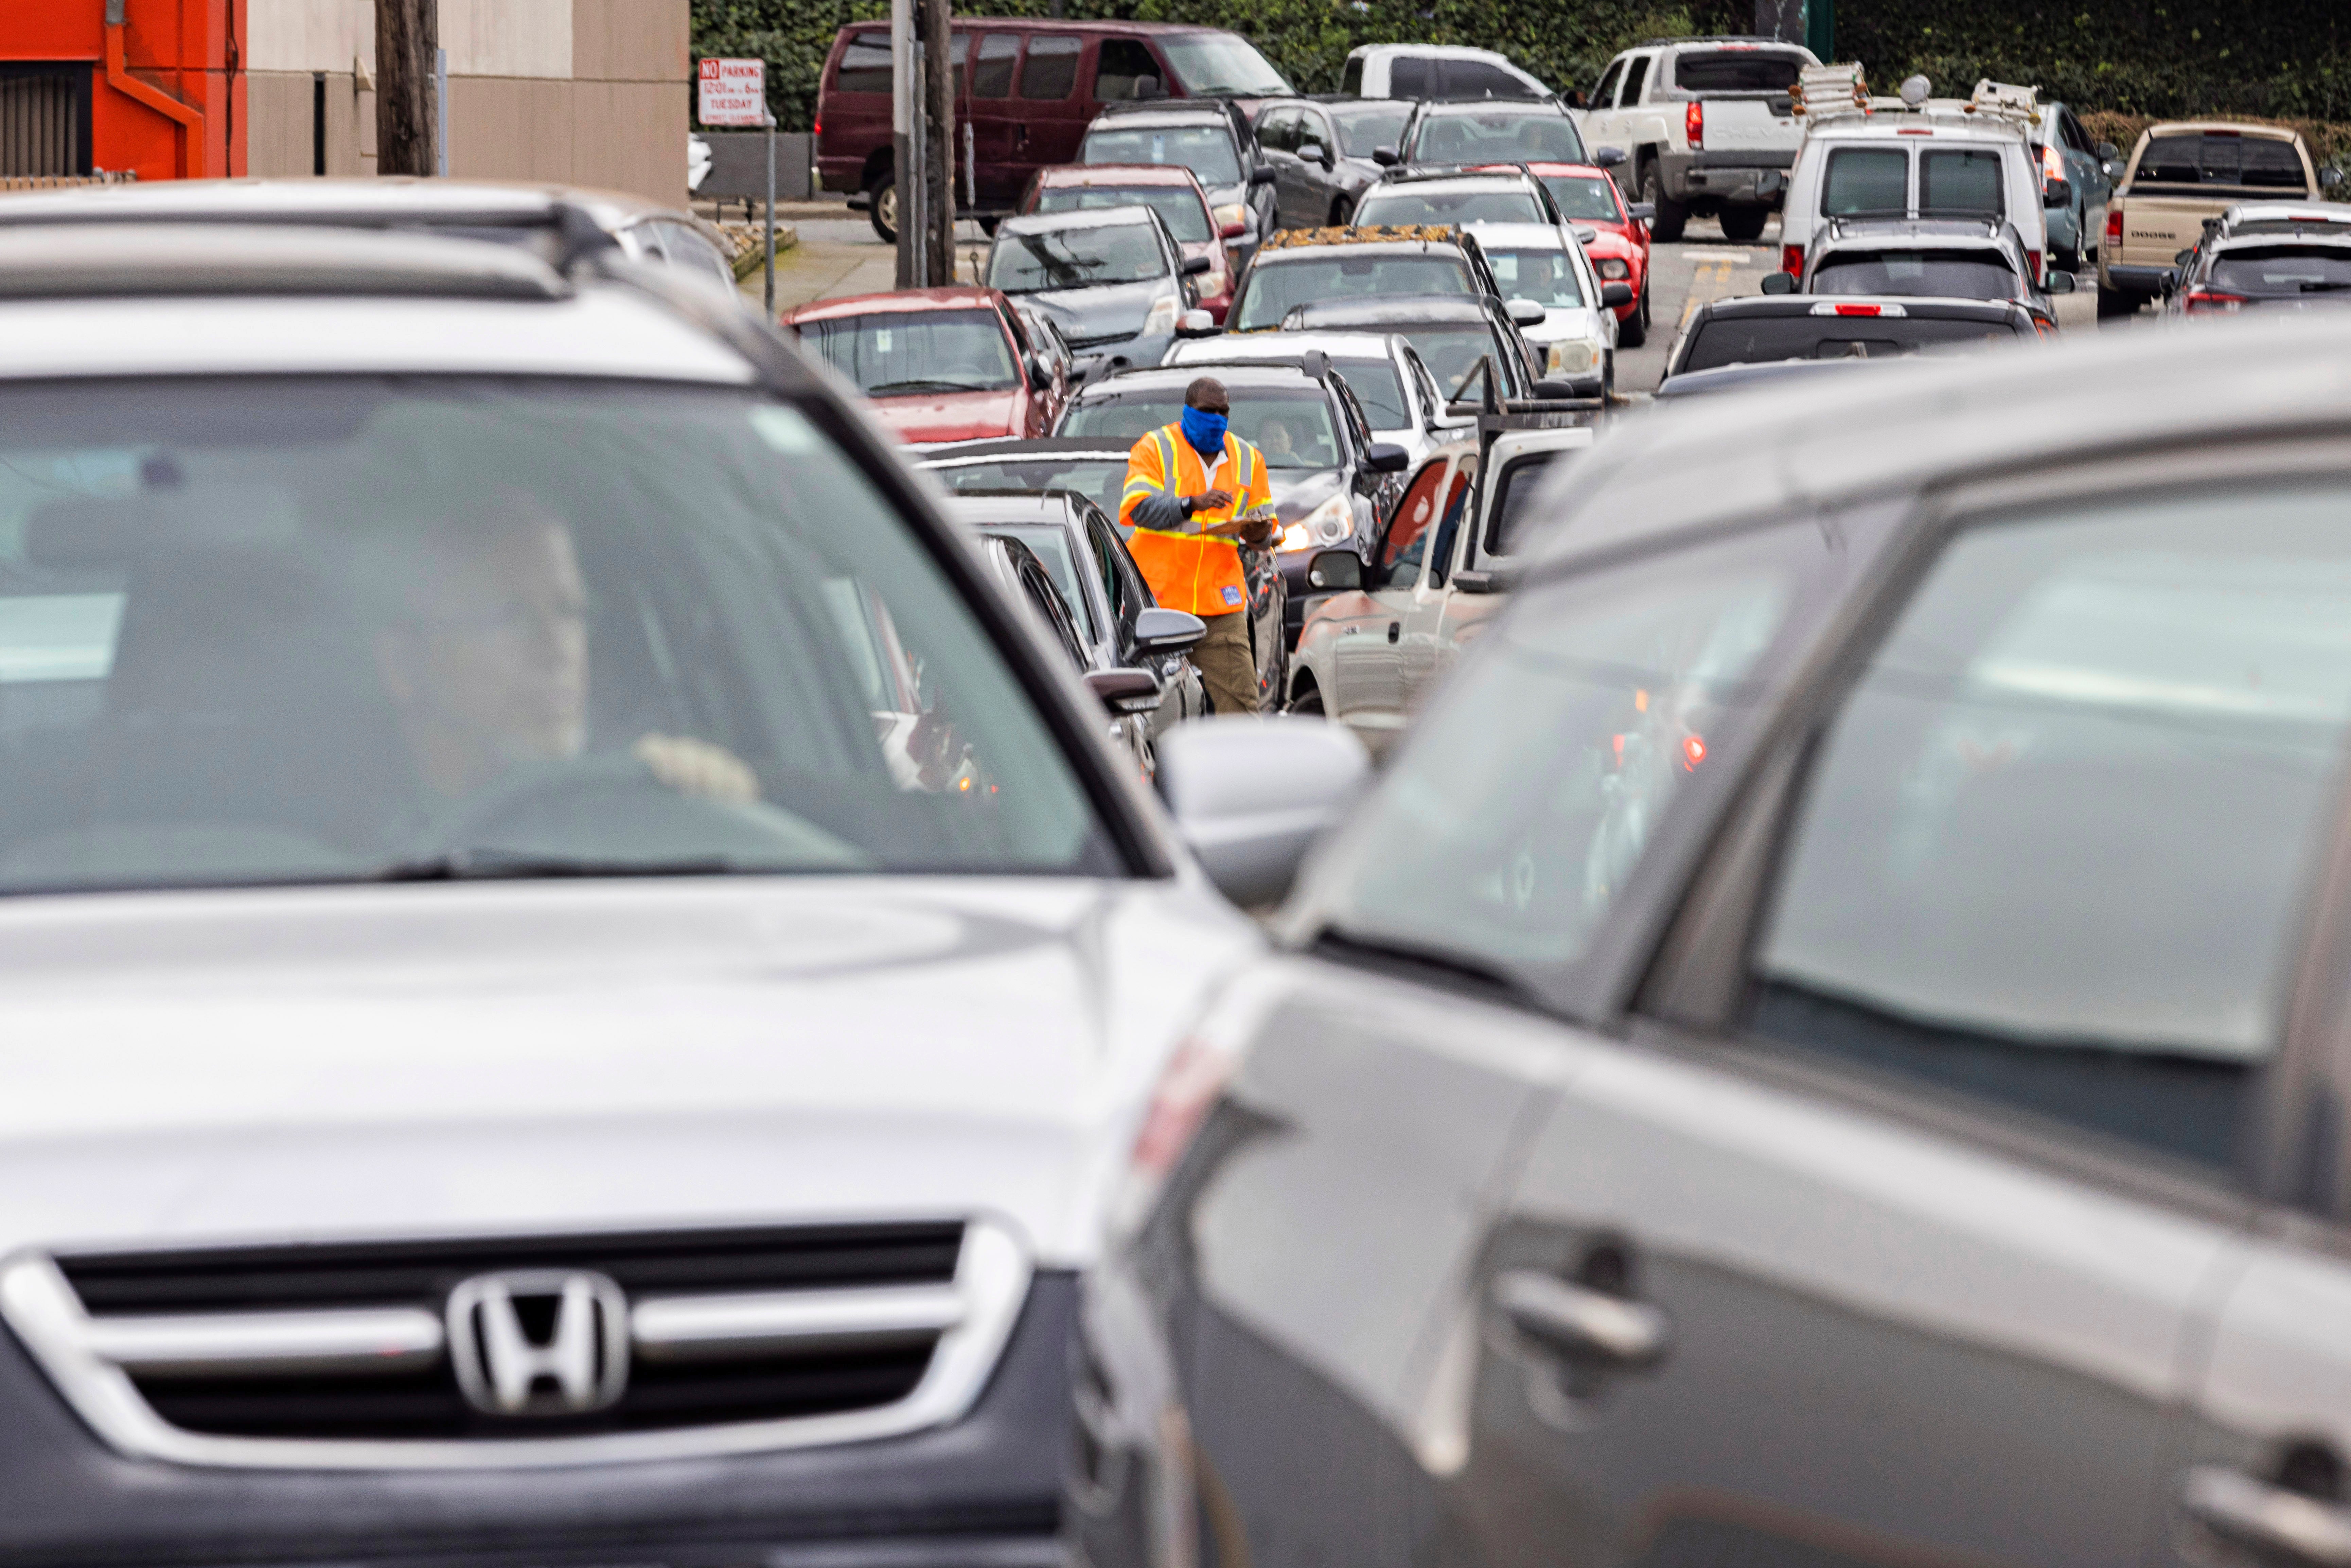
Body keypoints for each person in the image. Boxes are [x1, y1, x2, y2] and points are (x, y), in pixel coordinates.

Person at [364, 490, 758, 819]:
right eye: (510, 617)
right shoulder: (337, 862)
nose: (557, 650)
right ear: (401, 665)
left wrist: (707, 795)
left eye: (570, 611)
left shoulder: (634, 800)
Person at [1119, 377, 1273, 715]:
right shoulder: (1155, 448)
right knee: (1151, 710)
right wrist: (1191, 504)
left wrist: (1259, 531)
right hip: (1158, 606)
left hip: (1219, 606)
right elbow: (1139, 509)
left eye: (1223, 412)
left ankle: (1243, 769)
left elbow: (1262, 538)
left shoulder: (1248, 458)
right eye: (1207, 411)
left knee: (1242, 708)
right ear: (1188, 411)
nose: (1216, 418)